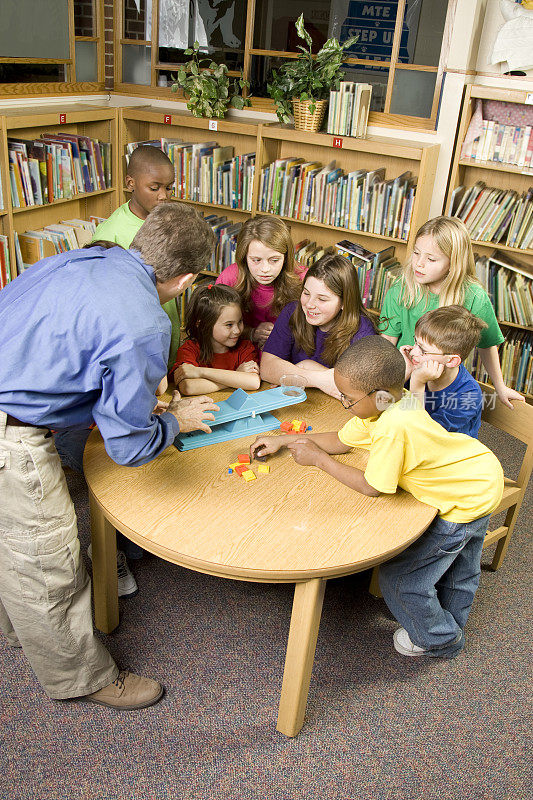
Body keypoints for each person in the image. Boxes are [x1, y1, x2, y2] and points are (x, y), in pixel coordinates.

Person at [0, 202, 219, 710]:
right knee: (48, 561)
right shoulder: (144, 322)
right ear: (185, 280)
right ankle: (84, 678)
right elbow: (128, 447)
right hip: (11, 431)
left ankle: (21, 631)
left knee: (9, 541)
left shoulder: (80, 258)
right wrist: (173, 420)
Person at [250, 336, 504, 659]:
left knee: (398, 579)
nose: (344, 403)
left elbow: (374, 486)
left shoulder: (391, 427)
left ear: (379, 395)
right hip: (481, 475)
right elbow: (343, 440)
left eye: (348, 399)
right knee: (461, 568)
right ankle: (450, 621)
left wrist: (319, 461)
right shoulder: (392, 405)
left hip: (463, 499)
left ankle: (442, 639)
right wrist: (284, 440)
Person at [379, 215, 524, 409]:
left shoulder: (474, 295)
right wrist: (385, 385)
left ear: (453, 263)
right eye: (416, 253)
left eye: (431, 259)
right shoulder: (401, 288)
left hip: (445, 385)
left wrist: (499, 386)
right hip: (403, 377)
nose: (419, 264)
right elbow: (387, 343)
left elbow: (487, 345)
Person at [92, 144, 180, 367]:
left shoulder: (165, 219)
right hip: (137, 346)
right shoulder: (109, 233)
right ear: (130, 183)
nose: (164, 196)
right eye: (154, 188)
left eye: (169, 188)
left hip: (167, 334)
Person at [260, 253, 376, 398]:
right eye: (306, 293)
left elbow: (359, 391)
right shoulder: (292, 311)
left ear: (344, 302)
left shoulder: (362, 331)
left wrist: (299, 371)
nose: (309, 305)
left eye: (322, 299)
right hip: (300, 401)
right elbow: (267, 368)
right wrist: (319, 379)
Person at [215, 216, 304, 347]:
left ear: (286, 257)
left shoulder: (304, 280)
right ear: (244, 257)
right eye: (256, 260)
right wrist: (251, 333)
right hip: (241, 349)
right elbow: (213, 327)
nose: (265, 270)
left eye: (274, 260)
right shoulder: (230, 278)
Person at [400, 305, 487, 437]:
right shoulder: (417, 367)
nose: (413, 352)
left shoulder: (468, 395)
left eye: (423, 350)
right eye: (415, 342)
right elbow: (381, 404)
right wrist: (404, 373)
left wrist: (417, 384)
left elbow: (421, 434)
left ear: (451, 361)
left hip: (450, 452)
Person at [171, 282, 260, 395]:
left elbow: (253, 382)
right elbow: (188, 387)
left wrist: (199, 372)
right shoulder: (189, 349)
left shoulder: (245, 347)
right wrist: (236, 376)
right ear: (203, 324)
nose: (237, 330)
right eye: (229, 325)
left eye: (240, 322)